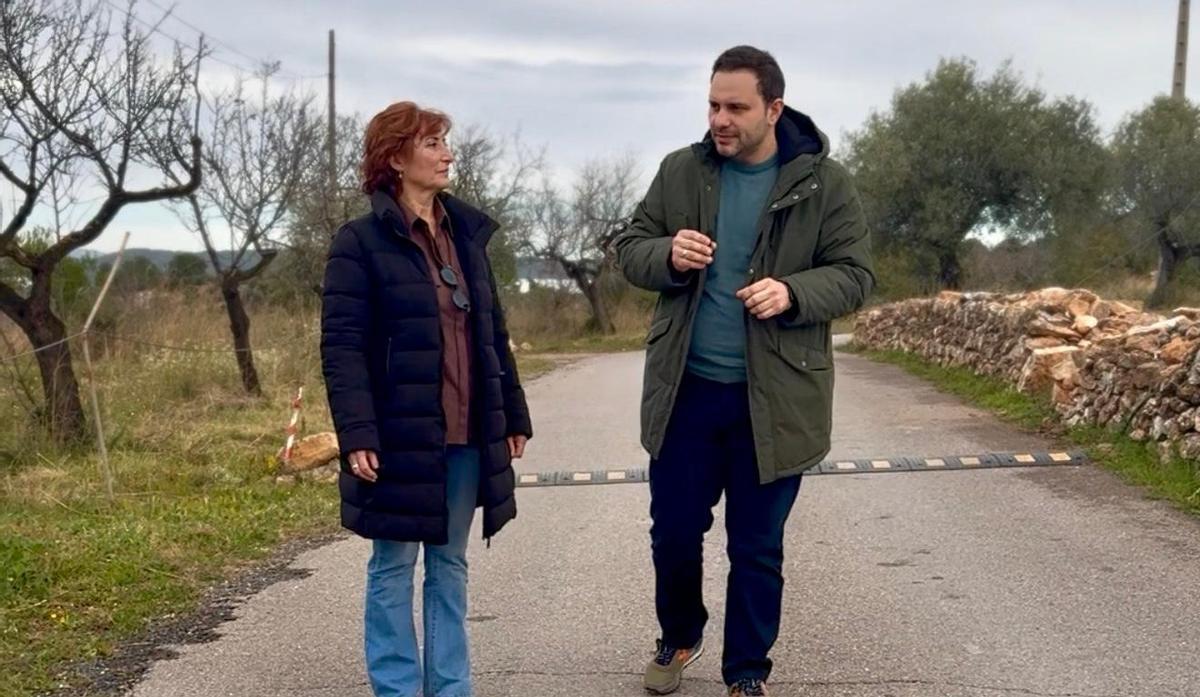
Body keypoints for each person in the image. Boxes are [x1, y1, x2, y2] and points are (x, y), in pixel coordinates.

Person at [614, 46, 874, 697]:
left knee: (756, 546)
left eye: (736, 107)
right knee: (674, 531)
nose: (720, 119)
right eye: (712, 104)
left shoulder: (825, 183)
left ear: (774, 109)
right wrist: (667, 254)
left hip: (778, 398)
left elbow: (855, 275)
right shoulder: (681, 172)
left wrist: (792, 293)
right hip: (687, 393)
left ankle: (746, 671)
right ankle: (679, 632)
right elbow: (630, 249)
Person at [321, 101, 532, 697]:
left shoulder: (466, 237)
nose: (447, 153)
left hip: (467, 430)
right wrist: (357, 432)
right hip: (397, 434)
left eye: (445, 141)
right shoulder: (358, 243)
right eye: (432, 143)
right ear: (395, 157)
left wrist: (512, 411)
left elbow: (491, 331)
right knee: (392, 566)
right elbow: (343, 347)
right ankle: (396, 689)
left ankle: (450, 688)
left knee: (450, 566)